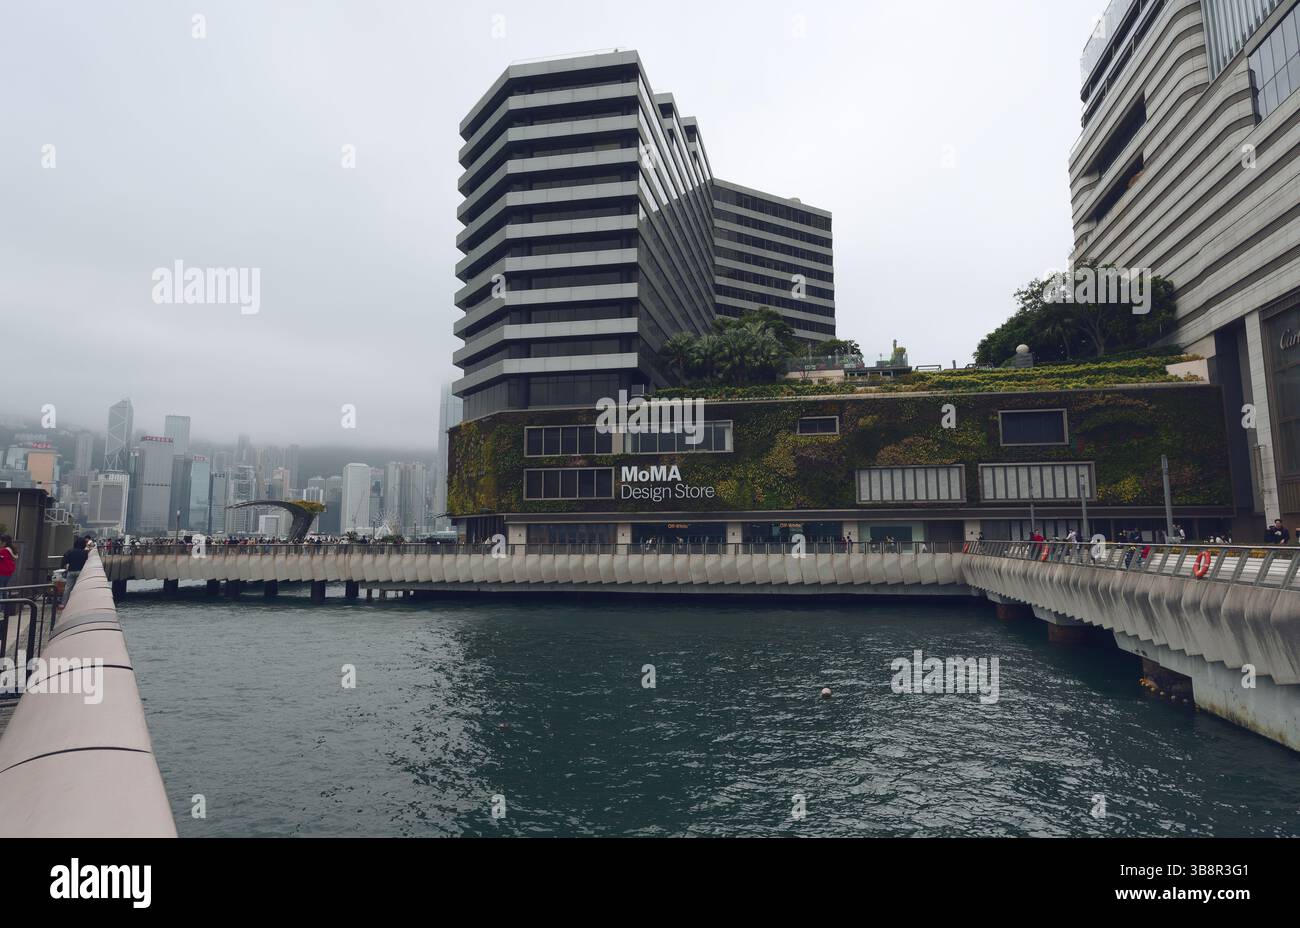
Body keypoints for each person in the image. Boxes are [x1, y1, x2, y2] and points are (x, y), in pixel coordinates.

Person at [60, 535, 89, 605]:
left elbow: (64, 561)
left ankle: (64, 604)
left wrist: (64, 567)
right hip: (81, 573)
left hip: (71, 571)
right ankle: (76, 604)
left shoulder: (70, 551)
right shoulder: (85, 552)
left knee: (68, 588)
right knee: (79, 589)